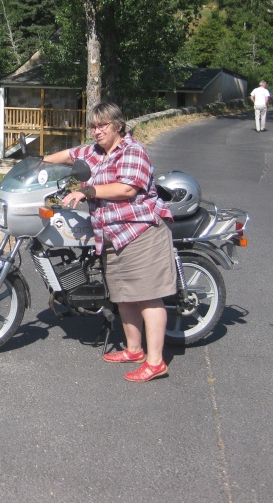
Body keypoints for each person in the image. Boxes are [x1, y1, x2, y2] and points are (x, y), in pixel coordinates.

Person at [43, 102, 177, 382]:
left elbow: (127, 188)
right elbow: (69, 155)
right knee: (124, 296)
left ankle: (156, 362)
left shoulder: (132, 151)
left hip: (141, 232)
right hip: (112, 236)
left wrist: (87, 190)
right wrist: (39, 164)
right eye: (92, 126)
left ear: (118, 124)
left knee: (148, 298)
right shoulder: (93, 152)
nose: (96, 131)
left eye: (102, 125)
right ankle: (134, 349)